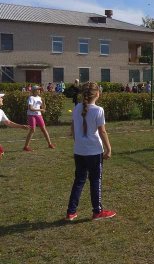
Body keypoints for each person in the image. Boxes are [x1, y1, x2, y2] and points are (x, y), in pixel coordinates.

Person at [66, 82, 115, 221]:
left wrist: (78, 143)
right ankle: (97, 211)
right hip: (94, 152)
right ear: (97, 94)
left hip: (79, 151)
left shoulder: (76, 108)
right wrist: (109, 148)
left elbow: (73, 128)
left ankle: (71, 212)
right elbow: (102, 131)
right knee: (95, 180)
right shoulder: (98, 110)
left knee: (79, 180)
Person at [23, 86, 55, 151]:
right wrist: (41, 110)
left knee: (44, 129)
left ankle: (50, 144)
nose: (39, 91)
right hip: (31, 115)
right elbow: (30, 108)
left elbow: (43, 108)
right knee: (32, 130)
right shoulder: (31, 98)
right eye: (38, 90)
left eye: (39, 90)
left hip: (39, 115)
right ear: (34, 91)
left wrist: (43, 102)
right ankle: (26, 147)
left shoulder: (39, 98)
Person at [0, 93, 30, 159]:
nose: (2, 99)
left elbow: (8, 123)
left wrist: (21, 126)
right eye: (0, 97)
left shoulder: (1, 112)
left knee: (1, 153)